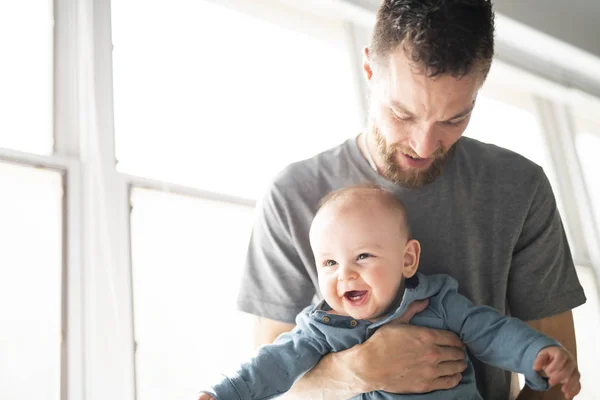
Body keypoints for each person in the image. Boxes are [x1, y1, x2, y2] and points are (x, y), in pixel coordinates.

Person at [237, 1, 587, 399]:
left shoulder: (521, 188)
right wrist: (362, 370)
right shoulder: (291, 196)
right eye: (402, 114)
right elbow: (271, 379)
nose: (424, 145)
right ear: (369, 70)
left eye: (453, 119)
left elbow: (557, 373)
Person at [199, 186, 581, 400]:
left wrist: (536, 355)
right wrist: (224, 394)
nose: (344, 274)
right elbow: (273, 365)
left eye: (362, 256)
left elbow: (494, 333)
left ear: (408, 259)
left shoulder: (439, 302)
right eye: (329, 264)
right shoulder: (322, 327)